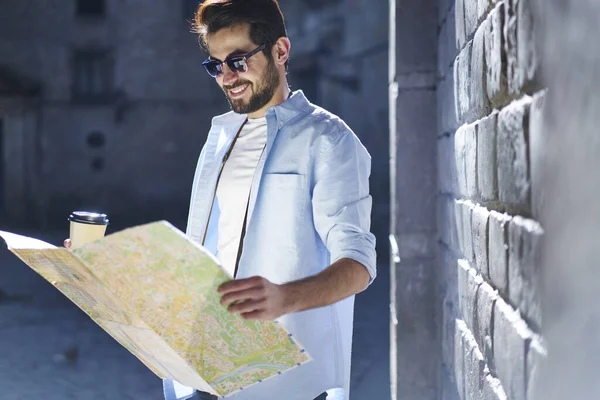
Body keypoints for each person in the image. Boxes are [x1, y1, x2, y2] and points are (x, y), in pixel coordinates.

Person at [68, 0, 376, 399]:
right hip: (207, 378)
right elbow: (202, 263)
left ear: (280, 51)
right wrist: (109, 267)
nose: (227, 77)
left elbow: (358, 265)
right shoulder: (219, 141)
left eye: (238, 60)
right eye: (216, 65)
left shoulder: (329, 140)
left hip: (288, 385)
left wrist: (285, 296)